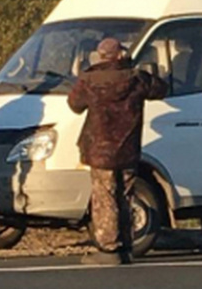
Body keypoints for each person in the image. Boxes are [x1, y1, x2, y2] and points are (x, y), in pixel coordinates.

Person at [67, 37, 168, 265]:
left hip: (99, 149)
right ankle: (125, 245)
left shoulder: (89, 80)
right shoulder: (136, 78)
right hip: (128, 147)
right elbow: (162, 89)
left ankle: (108, 248)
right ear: (120, 54)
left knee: (105, 197)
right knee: (125, 195)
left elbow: (74, 105)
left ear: (100, 56)